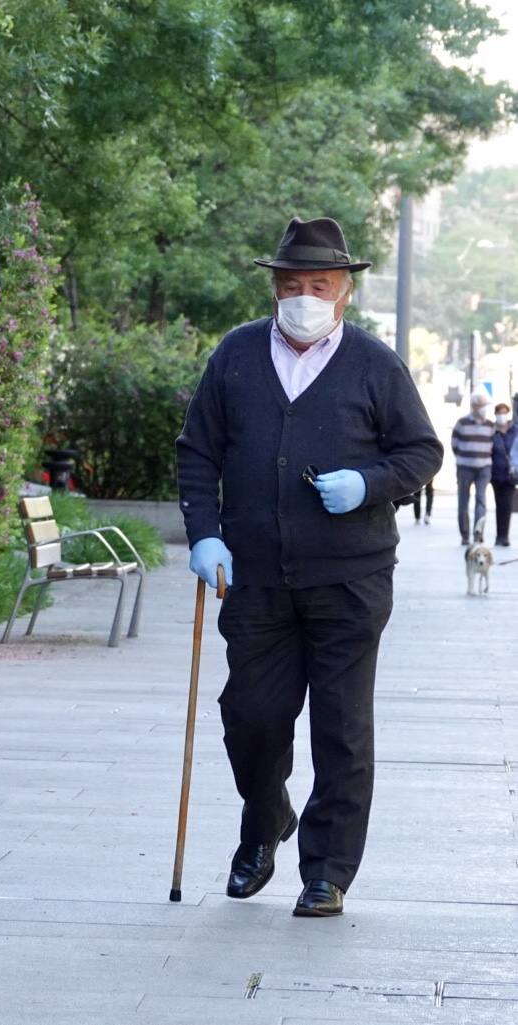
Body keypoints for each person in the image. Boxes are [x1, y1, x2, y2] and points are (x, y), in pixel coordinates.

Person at [176, 216, 443, 918]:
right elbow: (197, 450)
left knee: (341, 727)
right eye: (292, 284)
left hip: (350, 577)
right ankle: (265, 820)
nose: (304, 297)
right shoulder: (235, 355)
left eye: (319, 285)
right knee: (250, 717)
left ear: (344, 292)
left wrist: (369, 483)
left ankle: (327, 871)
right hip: (254, 577)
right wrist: (204, 535)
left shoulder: (374, 364)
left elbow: (421, 452)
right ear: (274, 287)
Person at [451, 392, 494, 544]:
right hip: (464, 467)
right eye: (482, 406)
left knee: (481, 499)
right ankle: (464, 535)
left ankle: (478, 533)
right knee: (463, 500)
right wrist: (464, 457)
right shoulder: (462, 423)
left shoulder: (490, 425)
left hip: (484, 468)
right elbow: (454, 444)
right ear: (474, 406)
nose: (484, 409)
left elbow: (493, 445)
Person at [490, 401, 517, 547]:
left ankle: (504, 536)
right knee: (499, 504)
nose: (502, 415)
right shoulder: (492, 431)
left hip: (510, 474)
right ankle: (499, 536)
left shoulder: (515, 430)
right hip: (495, 473)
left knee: (507, 506)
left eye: (504, 413)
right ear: (495, 414)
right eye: (499, 413)